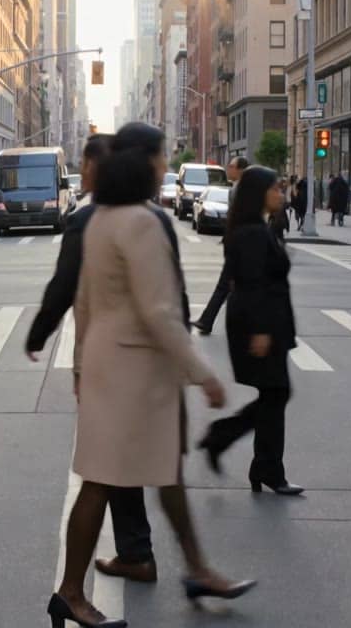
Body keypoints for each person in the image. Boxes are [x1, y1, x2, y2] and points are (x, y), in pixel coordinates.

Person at [49, 123, 254, 628]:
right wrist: (202, 371)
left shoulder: (99, 219)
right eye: (162, 157)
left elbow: (85, 302)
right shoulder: (140, 222)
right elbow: (159, 312)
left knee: (161, 474)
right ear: (145, 162)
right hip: (134, 371)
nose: (166, 166)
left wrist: (82, 365)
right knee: (102, 481)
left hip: (114, 365)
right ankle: (71, 594)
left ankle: (194, 568)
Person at [26, 135, 160, 585]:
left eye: (85, 164)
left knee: (103, 470)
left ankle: (76, 588)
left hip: (110, 363)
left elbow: (65, 289)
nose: (79, 172)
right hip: (138, 362)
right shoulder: (149, 218)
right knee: (122, 462)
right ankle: (136, 552)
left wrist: (40, 332)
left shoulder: (89, 222)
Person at [197, 166, 303, 496]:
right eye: (275, 189)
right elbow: (252, 284)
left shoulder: (254, 228)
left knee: (275, 394)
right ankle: (251, 458)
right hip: (259, 325)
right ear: (259, 193)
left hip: (263, 322)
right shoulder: (253, 233)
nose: (280, 194)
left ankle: (258, 463)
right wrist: (260, 331)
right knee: (276, 393)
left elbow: (235, 278)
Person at [191, 155, 249, 336]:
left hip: (239, 245)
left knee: (227, 285)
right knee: (232, 285)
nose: (228, 169)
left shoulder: (242, 189)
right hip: (236, 243)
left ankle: (208, 320)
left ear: (240, 170)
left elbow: (240, 219)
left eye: (231, 166)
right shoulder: (237, 188)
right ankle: (209, 320)